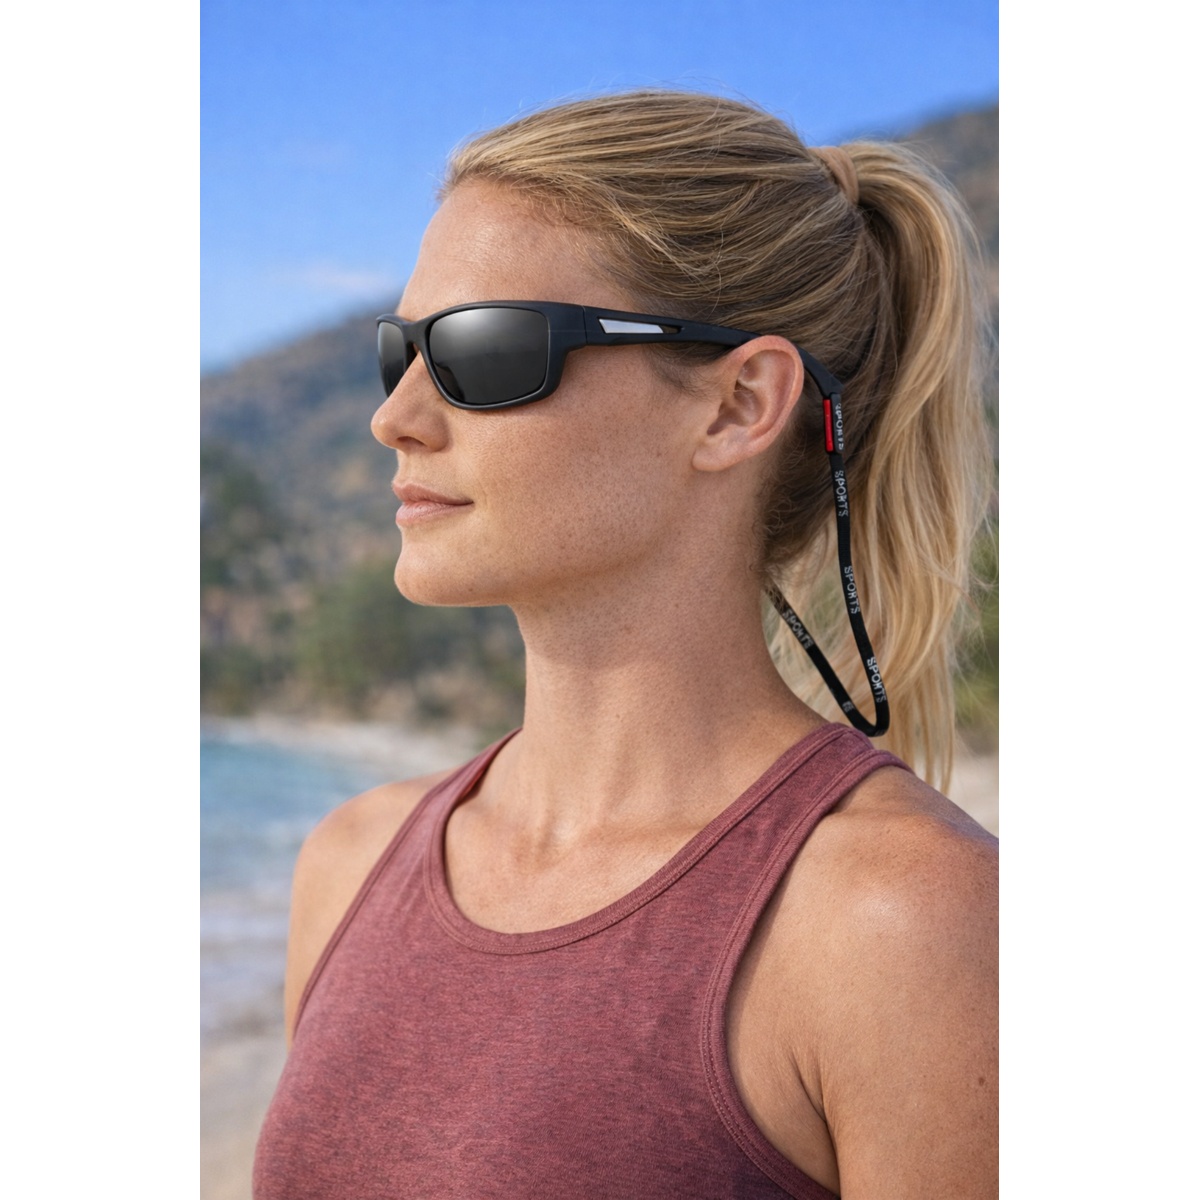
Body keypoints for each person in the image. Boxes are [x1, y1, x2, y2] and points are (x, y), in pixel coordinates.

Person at [254, 90, 998, 1199]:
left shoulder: (905, 921)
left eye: (484, 349)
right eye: (398, 351)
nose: (395, 415)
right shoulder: (350, 863)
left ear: (737, 405)